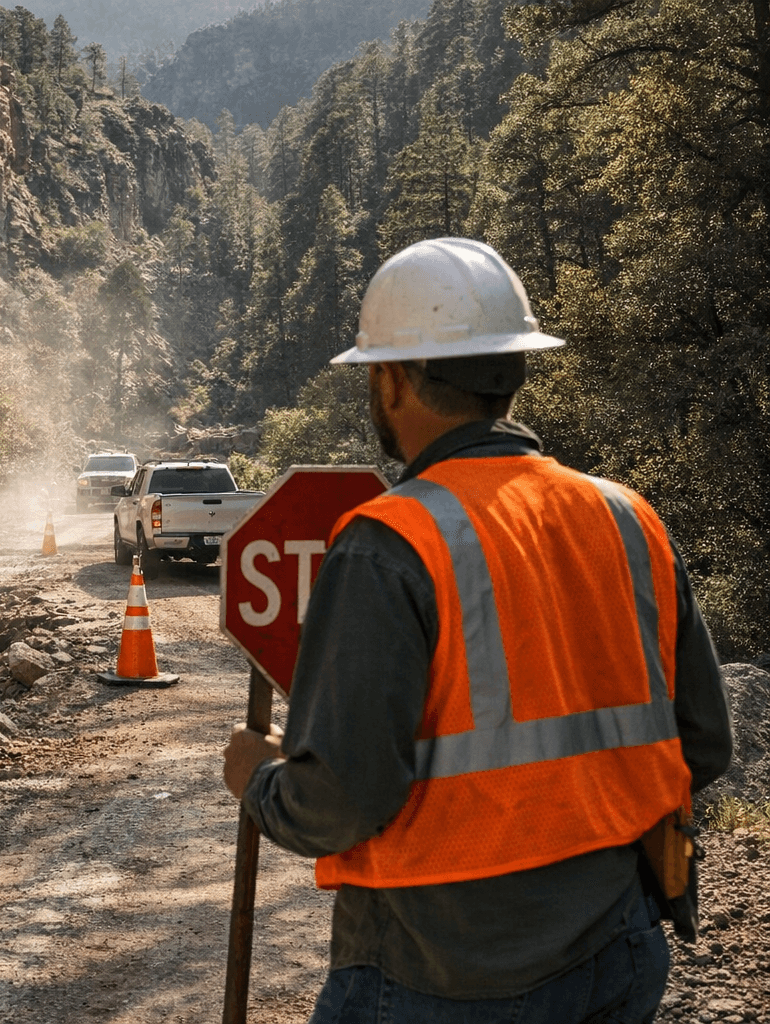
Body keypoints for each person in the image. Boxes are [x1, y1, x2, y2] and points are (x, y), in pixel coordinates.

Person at [221, 237, 733, 1023]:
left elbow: (342, 799)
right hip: (620, 948)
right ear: (512, 371)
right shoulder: (628, 518)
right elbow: (702, 742)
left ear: (391, 380)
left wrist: (259, 780)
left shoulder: (390, 543)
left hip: (441, 974)